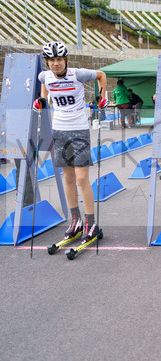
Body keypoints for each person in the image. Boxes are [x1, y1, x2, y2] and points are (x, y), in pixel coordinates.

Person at [34, 41, 107, 242]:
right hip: (59, 130)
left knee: (81, 178)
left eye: (59, 59)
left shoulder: (78, 74)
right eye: (51, 60)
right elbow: (44, 85)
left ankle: (91, 223)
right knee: (68, 177)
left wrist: (101, 97)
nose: (55, 63)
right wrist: (42, 100)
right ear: (47, 62)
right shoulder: (44, 76)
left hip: (79, 130)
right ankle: (76, 221)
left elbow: (101, 75)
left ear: (66, 60)